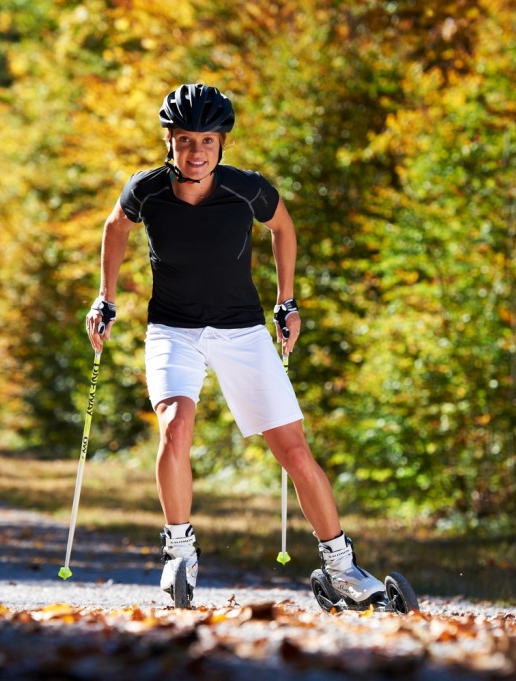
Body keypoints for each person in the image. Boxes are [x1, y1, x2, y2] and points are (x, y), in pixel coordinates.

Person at [85, 83, 385, 607]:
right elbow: (115, 227)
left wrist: (286, 301)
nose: (195, 152)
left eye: (206, 140)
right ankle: (179, 552)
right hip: (172, 330)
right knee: (175, 426)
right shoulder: (146, 190)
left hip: (242, 331)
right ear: (169, 143)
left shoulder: (247, 189)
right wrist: (105, 298)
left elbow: (283, 228)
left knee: (293, 450)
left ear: (221, 143)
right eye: (184, 141)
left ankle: (342, 567)